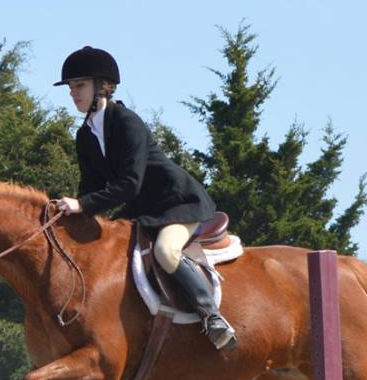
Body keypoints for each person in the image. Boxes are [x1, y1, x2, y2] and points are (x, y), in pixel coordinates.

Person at [48, 46, 236, 348]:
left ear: (102, 86)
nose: (73, 93)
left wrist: (82, 204)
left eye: (79, 85)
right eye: (70, 87)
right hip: (143, 210)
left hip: (177, 203)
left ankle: (212, 317)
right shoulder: (85, 135)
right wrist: (71, 213)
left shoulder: (127, 122)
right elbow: (91, 186)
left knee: (166, 251)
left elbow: (130, 184)